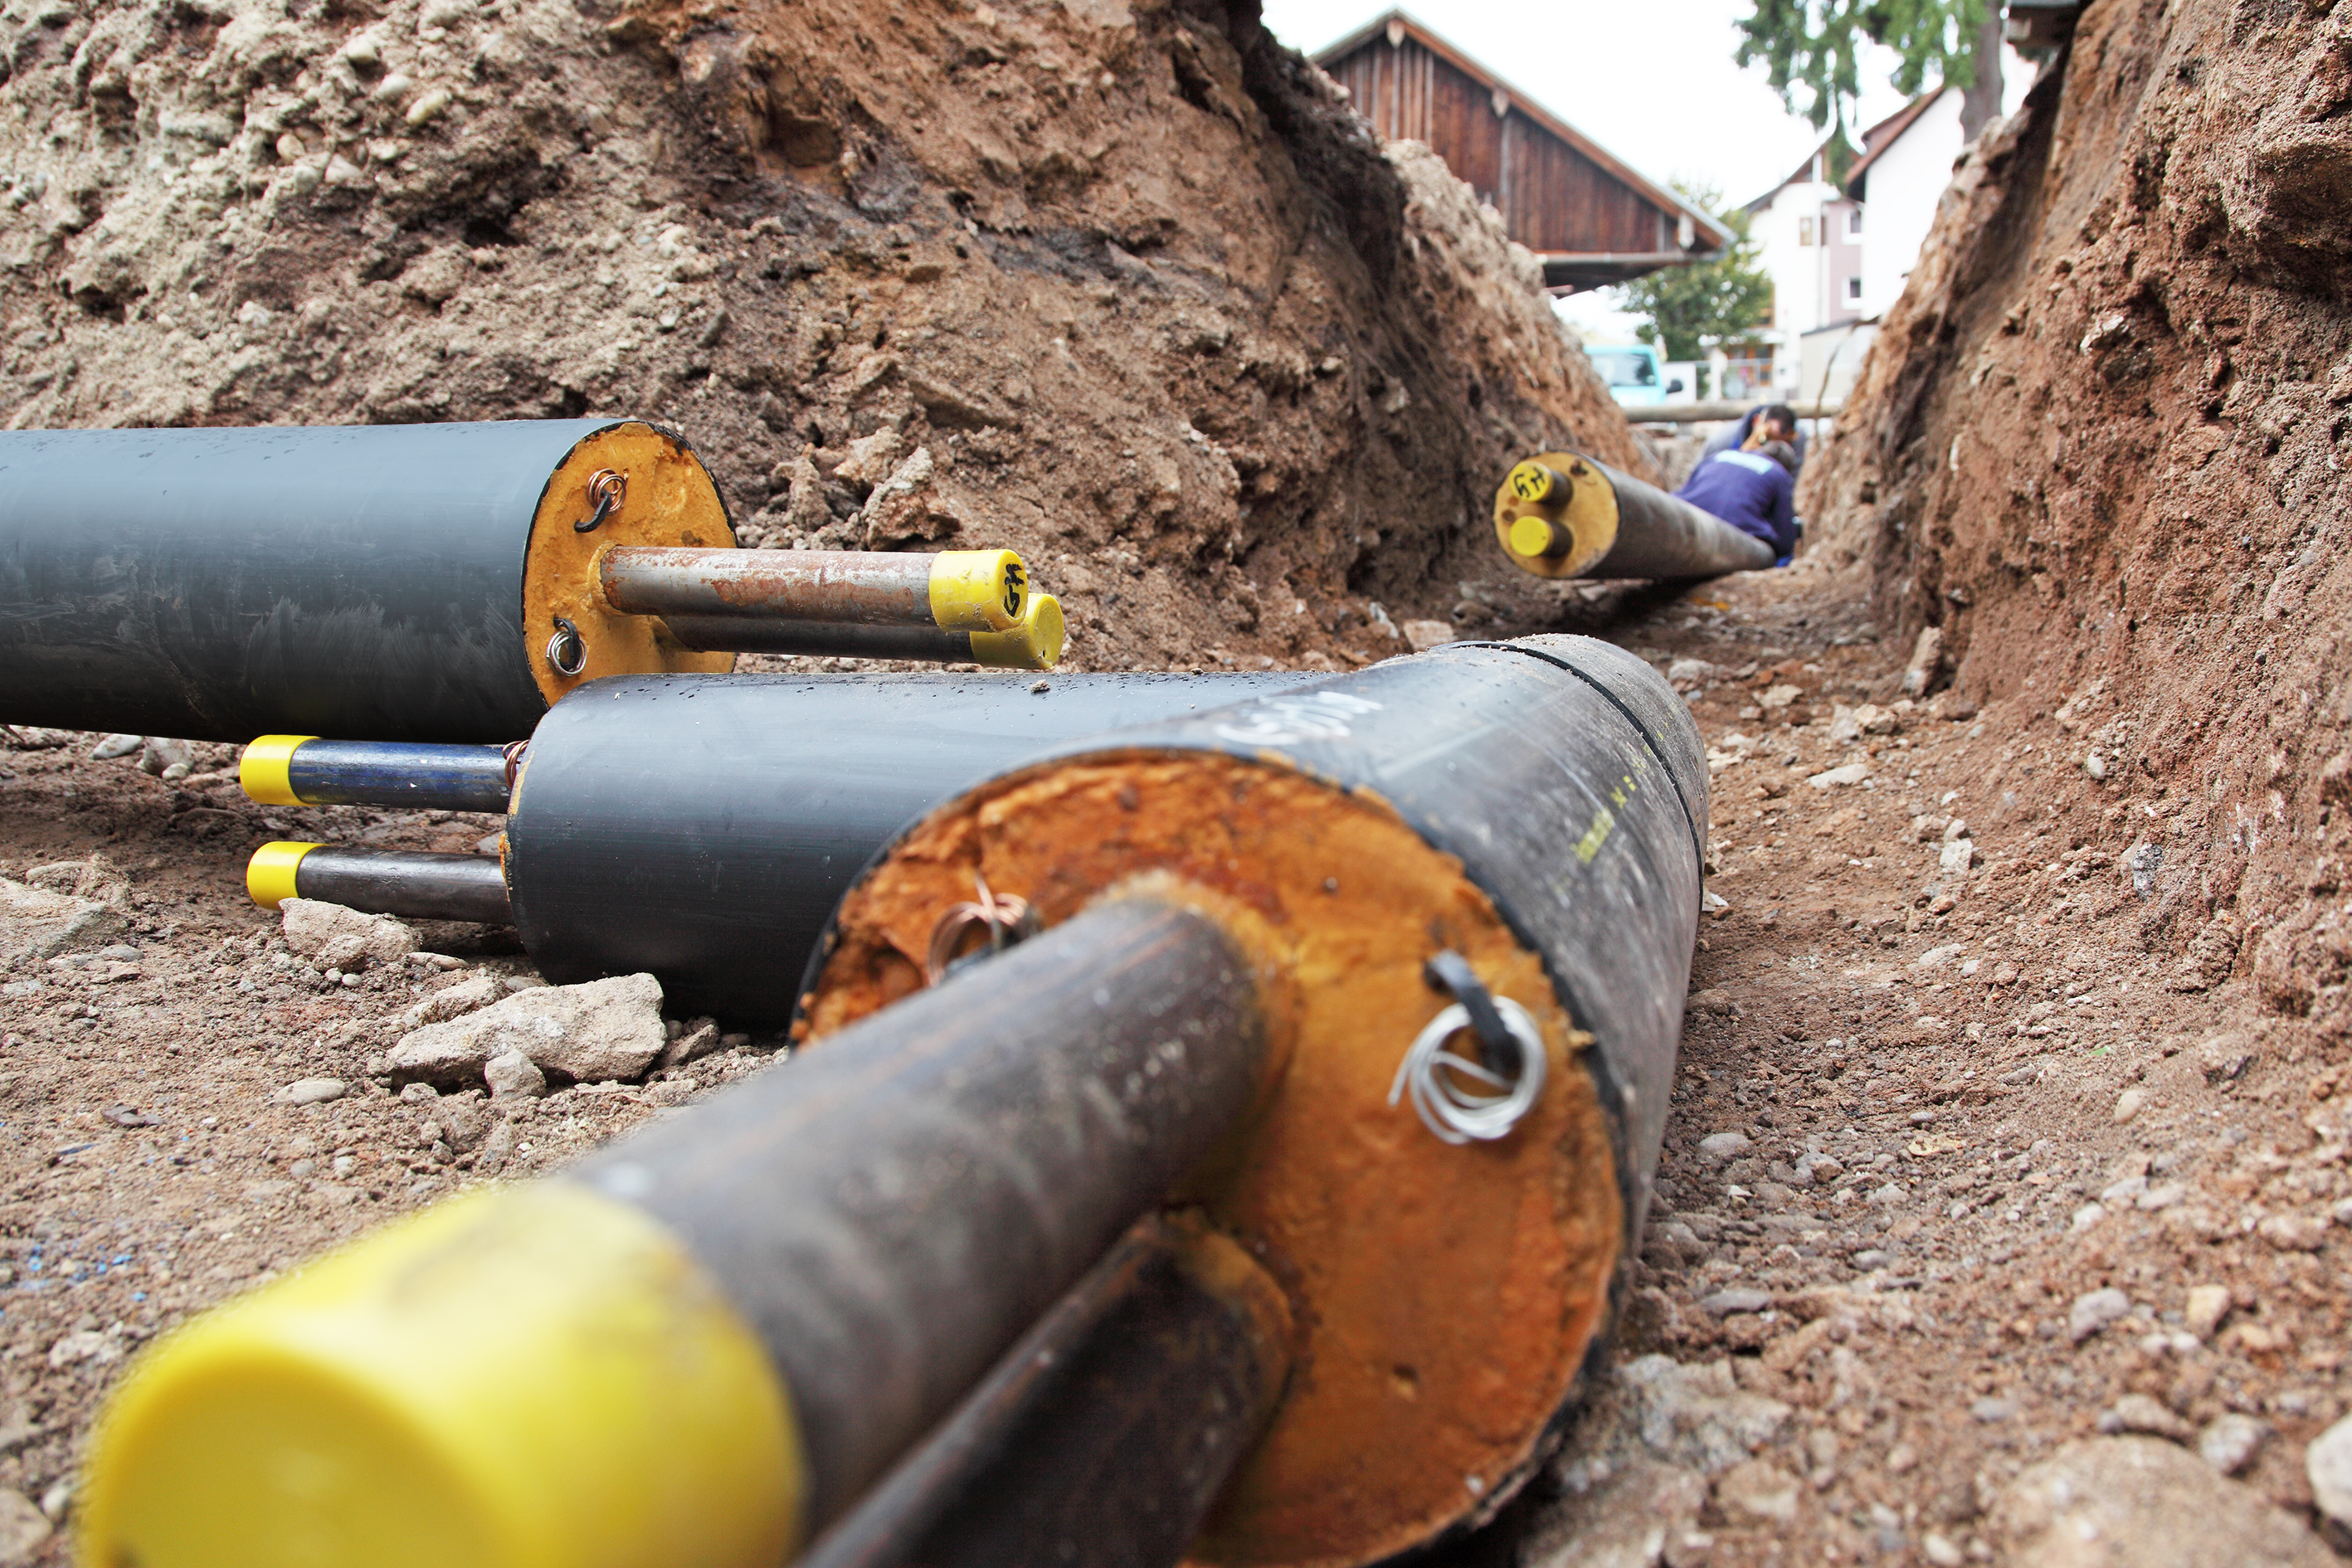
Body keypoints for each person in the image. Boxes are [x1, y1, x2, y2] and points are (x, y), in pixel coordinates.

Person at [1676, 435, 1800, 565]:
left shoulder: (1718, 455)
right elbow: (1785, 538)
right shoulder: (1779, 473)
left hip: (1683, 523)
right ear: (1786, 467)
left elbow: (1686, 488)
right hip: (1734, 539)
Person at [1702, 402, 1806, 475]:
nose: (1776, 448)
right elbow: (1700, 476)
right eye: (1769, 438)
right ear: (1756, 421)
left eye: (1785, 442)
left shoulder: (1797, 438)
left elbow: (1789, 483)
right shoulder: (1722, 441)